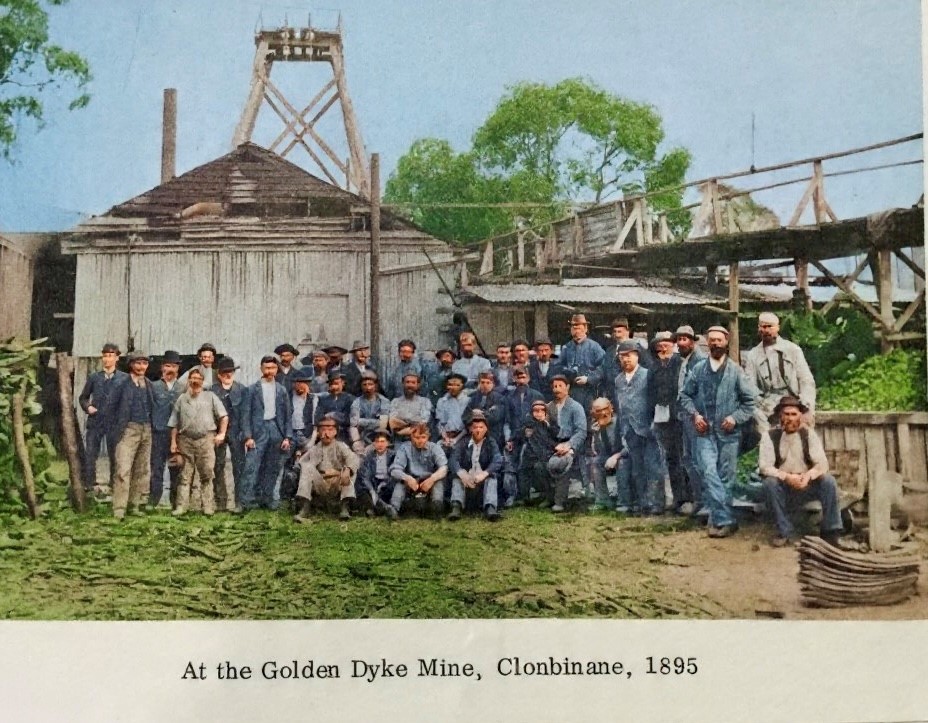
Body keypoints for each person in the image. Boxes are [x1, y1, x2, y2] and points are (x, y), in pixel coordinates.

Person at [679, 326, 758, 538]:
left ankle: (718, 518)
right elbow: (684, 396)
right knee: (708, 472)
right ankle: (727, 519)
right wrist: (695, 415)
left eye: (719, 340)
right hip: (705, 433)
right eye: (711, 340)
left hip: (729, 434)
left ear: (726, 342)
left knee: (726, 477)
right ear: (707, 343)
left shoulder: (735, 371)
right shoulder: (698, 370)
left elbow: (750, 402)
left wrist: (735, 418)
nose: (715, 344)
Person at [760, 396, 843, 547]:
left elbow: (822, 463)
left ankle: (831, 532)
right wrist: (787, 477)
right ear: (780, 416)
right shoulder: (769, 436)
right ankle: (784, 532)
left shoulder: (808, 435)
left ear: (800, 416)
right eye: (786, 414)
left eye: (794, 414)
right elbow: (765, 466)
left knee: (828, 481)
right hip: (784, 488)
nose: (790, 419)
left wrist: (807, 476)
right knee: (769, 483)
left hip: (806, 485)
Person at [743, 311, 816, 435]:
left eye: (769, 326)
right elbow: (749, 386)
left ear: (777, 327)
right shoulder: (753, 355)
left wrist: (806, 404)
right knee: (756, 415)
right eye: (762, 326)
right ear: (758, 328)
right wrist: (760, 403)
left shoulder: (793, 350)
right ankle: (768, 444)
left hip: (792, 399)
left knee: (801, 429)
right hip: (767, 402)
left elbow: (806, 380)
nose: (766, 330)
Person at [168, 368, 228, 517]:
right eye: (192, 379)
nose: (195, 381)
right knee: (185, 475)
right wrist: (173, 443)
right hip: (186, 440)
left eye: (198, 379)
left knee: (207, 473)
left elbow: (224, 416)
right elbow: (174, 423)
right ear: (188, 381)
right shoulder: (182, 399)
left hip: (206, 440)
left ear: (202, 381)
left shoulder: (210, 397)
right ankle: (182, 506)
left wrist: (222, 433)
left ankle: (207, 506)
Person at [614, 340, 663, 516]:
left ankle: (656, 502)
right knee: (637, 468)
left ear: (637, 356)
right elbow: (620, 406)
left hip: (648, 428)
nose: (626, 359)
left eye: (629, 355)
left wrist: (653, 422)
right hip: (629, 430)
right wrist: (622, 430)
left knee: (653, 466)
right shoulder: (618, 380)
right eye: (622, 356)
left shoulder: (647, 375)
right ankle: (643, 503)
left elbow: (654, 400)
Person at [104, 351, 155, 519]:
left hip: (146, 429)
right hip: (128, 430)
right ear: (131, 364)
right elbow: (109, 408)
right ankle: (119, 508)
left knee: (141, 470)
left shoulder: (148, 384)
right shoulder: (121, 383)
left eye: (145, 363)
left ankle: (134, 505)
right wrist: (116, 430)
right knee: (123, 469)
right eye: (138, 363)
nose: (142, 367)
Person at [239, 355, 292, 512]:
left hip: (275, 429)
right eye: (267, 368)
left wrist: (287, 437)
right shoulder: (251, 389)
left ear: (277, 370)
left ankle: (266, 499)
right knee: (251, 466)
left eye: (273, 368)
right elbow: (245, 414)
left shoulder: (281, 390)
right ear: (261, 369)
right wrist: (248, 436)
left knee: (272, 466)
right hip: (258, 431)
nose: (270, 371)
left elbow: (288, 415)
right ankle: (246, 501)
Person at [78, 342, 127, 492]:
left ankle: (114, 485)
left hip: (113, 422)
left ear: (117, 358)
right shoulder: (94, 377)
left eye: (111, 356)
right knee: (91, 453)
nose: (107, 359)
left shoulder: (123, 379)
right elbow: (83, 398)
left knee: (115, 454)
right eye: (105, 356)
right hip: (96, 421)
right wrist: (88, 407)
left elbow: (126, 400)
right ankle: (89, 484)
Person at [649, 331, 688, 513]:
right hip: (661, 418)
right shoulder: (654, 367)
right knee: (670, 458)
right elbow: (651, 393)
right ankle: (676, 499)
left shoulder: (680, 365)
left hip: (679, 417)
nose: (663, 348)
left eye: (666, 344)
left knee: (683, 457)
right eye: (660, 345)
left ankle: (688, 498)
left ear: (673, 345)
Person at [292, 417, 360, 523]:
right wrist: (298, 457)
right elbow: (301, 463)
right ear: (318, 432)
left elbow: (354, 459)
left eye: (329, 430)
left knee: (350, 471)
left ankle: (345, 507)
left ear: (335, 432)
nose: (326, 433)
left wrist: (346, 470)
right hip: (321, 485)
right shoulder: (315, 448)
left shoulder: (340, 446)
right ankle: (304, 508)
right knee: (307, 466)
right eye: (322, 430)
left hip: (337, 484)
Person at [448, 410, 503, 522]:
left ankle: (490, 508)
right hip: (467, 481)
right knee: (456, 479)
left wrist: (484, 473)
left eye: (481, 427)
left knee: (492, 478)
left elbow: (497, 459)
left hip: (481, 482)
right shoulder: (463, 442)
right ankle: (456, 507)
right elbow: (453, 459)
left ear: (486, 429)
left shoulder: (491, 442)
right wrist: (462, 473)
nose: (478, 430)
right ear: (470, 429)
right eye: (475, 427)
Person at [386, 422, 448, 520]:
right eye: (416, 437)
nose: (420, 441)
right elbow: (395, 469)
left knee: (438, 482)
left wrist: (432, 479)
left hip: (428, 481)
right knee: (400, 483)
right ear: (411, 436)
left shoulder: (435, 448)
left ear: (428, 437)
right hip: (412, 481)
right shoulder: (404, 448)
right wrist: (407, 478)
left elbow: (444, 468)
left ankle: (437, 508)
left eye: (423, 437)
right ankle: (394, 509)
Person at [675, 325, 706, 516]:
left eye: (685, 339)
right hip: (685, 415)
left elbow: (701, 392)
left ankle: (704, 502)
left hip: (696, 415)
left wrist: (696, 414)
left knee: (698, 459)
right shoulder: (685, 360)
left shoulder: (700, 361)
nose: (681, 343)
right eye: (678, 339)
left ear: (693, 341)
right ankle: (699, 499)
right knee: (688, 458)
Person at [503, 365, 544, 506]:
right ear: (514, 378)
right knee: (512, 463)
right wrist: (508, 439)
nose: (521, 380)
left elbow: (542, 417)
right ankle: (515, 495)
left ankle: (530, 493)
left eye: (523, 376)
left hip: (533, 435)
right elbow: (507, 420)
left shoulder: (536, 395)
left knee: (526, 462)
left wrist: (533, 431)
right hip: (516, 436)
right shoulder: (509, 397)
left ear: (529, 378)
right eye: (518, 377)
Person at [211, 356, 248, 512]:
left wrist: (246, 434)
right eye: (224, 372)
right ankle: (220, 502)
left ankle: (239, 501)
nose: (227, 375)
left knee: (239, 467)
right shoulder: (212, 391)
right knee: (217, 466)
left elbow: (246, 414)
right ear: (219, 374)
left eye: (230, 372)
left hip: (236, 432)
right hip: (218, 432)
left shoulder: (242, 390)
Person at [547, 374, 587, 512]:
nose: (557, 389)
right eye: (554, 386)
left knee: (562, 462)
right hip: (553, 444)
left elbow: (581, 431)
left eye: (560, 386)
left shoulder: (576, 407)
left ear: (567, 387)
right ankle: (547, 496)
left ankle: (559, 501)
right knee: (538, 464)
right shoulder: (549, 407)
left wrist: (569, 445)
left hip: (571, 444)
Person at [149, 350, 183, 507]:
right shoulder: (153, 387)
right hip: (158, 433)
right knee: (156, 468)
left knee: (176, 469)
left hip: (177, 435)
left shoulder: (183, 388)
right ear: (162, 367)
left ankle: (175, 502)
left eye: (174, 366)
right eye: (167, 366)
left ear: (178, 369)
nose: (170, 369)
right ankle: (154, 500)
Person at [558, 313, 604, 413]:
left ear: (586, 328)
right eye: (574, 328)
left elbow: (603, 367)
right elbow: (559, 366)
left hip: (589, 391)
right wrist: (567, 373)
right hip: (571, 390)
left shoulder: (595, 347)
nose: (577, 331)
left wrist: (588, 378)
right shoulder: (567, 347)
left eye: (579, 328)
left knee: (590, 417)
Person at [520, 399, 561, 506]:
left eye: (541, 411)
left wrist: (546, 423)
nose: (538, 414)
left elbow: (557, 435)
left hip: (546, 454)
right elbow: (519, 434)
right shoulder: (529, 424)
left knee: (540, 469)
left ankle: (549, 497)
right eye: (536, 411)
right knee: (523, 469)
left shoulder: (550, 423)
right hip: (531, 454)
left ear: (545, 412)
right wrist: (510, 441)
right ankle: (524, 496)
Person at [587, 397, 624, 511]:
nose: (603, 413)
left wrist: (616, 456)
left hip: (624, 455)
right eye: (598, 411)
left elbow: (629, 446)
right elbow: (598, 451)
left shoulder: (619, 422)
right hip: (607, 456)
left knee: (622, 464)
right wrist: (597, 433)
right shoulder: (596, 425)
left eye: (605, 409)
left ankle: (624, 501)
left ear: (611, 408)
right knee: (595, 462)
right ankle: (602, 500)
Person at [349, 370, 391, 453]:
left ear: (375, 385)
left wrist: (361, 421)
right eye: (364, 385)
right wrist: (356, 441)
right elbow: (353, 425)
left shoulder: (384, 401)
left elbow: (383, 424)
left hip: (380, 436)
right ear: (361, 386)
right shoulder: (356, 402)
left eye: (370, 384)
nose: (368, 387)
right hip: (362, 437)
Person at [356, 430, 395, 514]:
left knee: (393, 486)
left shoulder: (393, 456)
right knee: (360, 483)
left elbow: (394, 472)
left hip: (387, 483)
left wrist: (385, 483)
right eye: (377, 442)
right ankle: (382, 506)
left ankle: (376, 507)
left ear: (387, 443)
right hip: (374, 482)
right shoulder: (369, 456)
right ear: (374, 443)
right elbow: (366, 476)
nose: (380, 445)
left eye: (382, 441)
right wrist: (371, 490)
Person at [465, 370, 506, 450]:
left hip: (493, 434)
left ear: (493, 385)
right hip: (474, 434)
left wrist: (479, 413)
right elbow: (465, 415)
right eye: (482, 382)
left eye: (488, 383)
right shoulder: (473, 397)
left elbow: (495, 417)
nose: (485, 385)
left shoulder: (499, 398)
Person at [388, 373, 433, 440]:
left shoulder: (425, 402)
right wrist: (413, 422)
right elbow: (393, 422)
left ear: (418, 385)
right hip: (399, 439)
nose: (410, 385)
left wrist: (404, 423)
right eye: (407, 382)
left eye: (413, 382)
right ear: (403, 384)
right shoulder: (395, 402)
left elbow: (423, 422)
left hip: (418, 438)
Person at [313, 371, 355, 443]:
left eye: (336, 384)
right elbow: (318, 417)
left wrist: (332, 415)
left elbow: (349, 419)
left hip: (344, 433)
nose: (334, 387)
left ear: (343, 383)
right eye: (331, 384)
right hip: (326, 431)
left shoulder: (350, 399)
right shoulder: (323, 400)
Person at [434, 372, 470, 454]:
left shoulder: (467, 401)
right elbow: (440, 422)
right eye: (450, 384)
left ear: (462, 386)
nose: (453, 388)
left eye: (457, 385)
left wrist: (456, 439)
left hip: (462, 436)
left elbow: (468, 425)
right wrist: (445, 437)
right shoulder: (442, 401)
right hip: (446, 436)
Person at [528, 337, 562, 401]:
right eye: (541, 351)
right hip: (536, 402)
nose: (544, 353)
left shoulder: (558, 367)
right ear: (537, 352)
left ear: (551, 351)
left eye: (546, 350)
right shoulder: (531, 367)